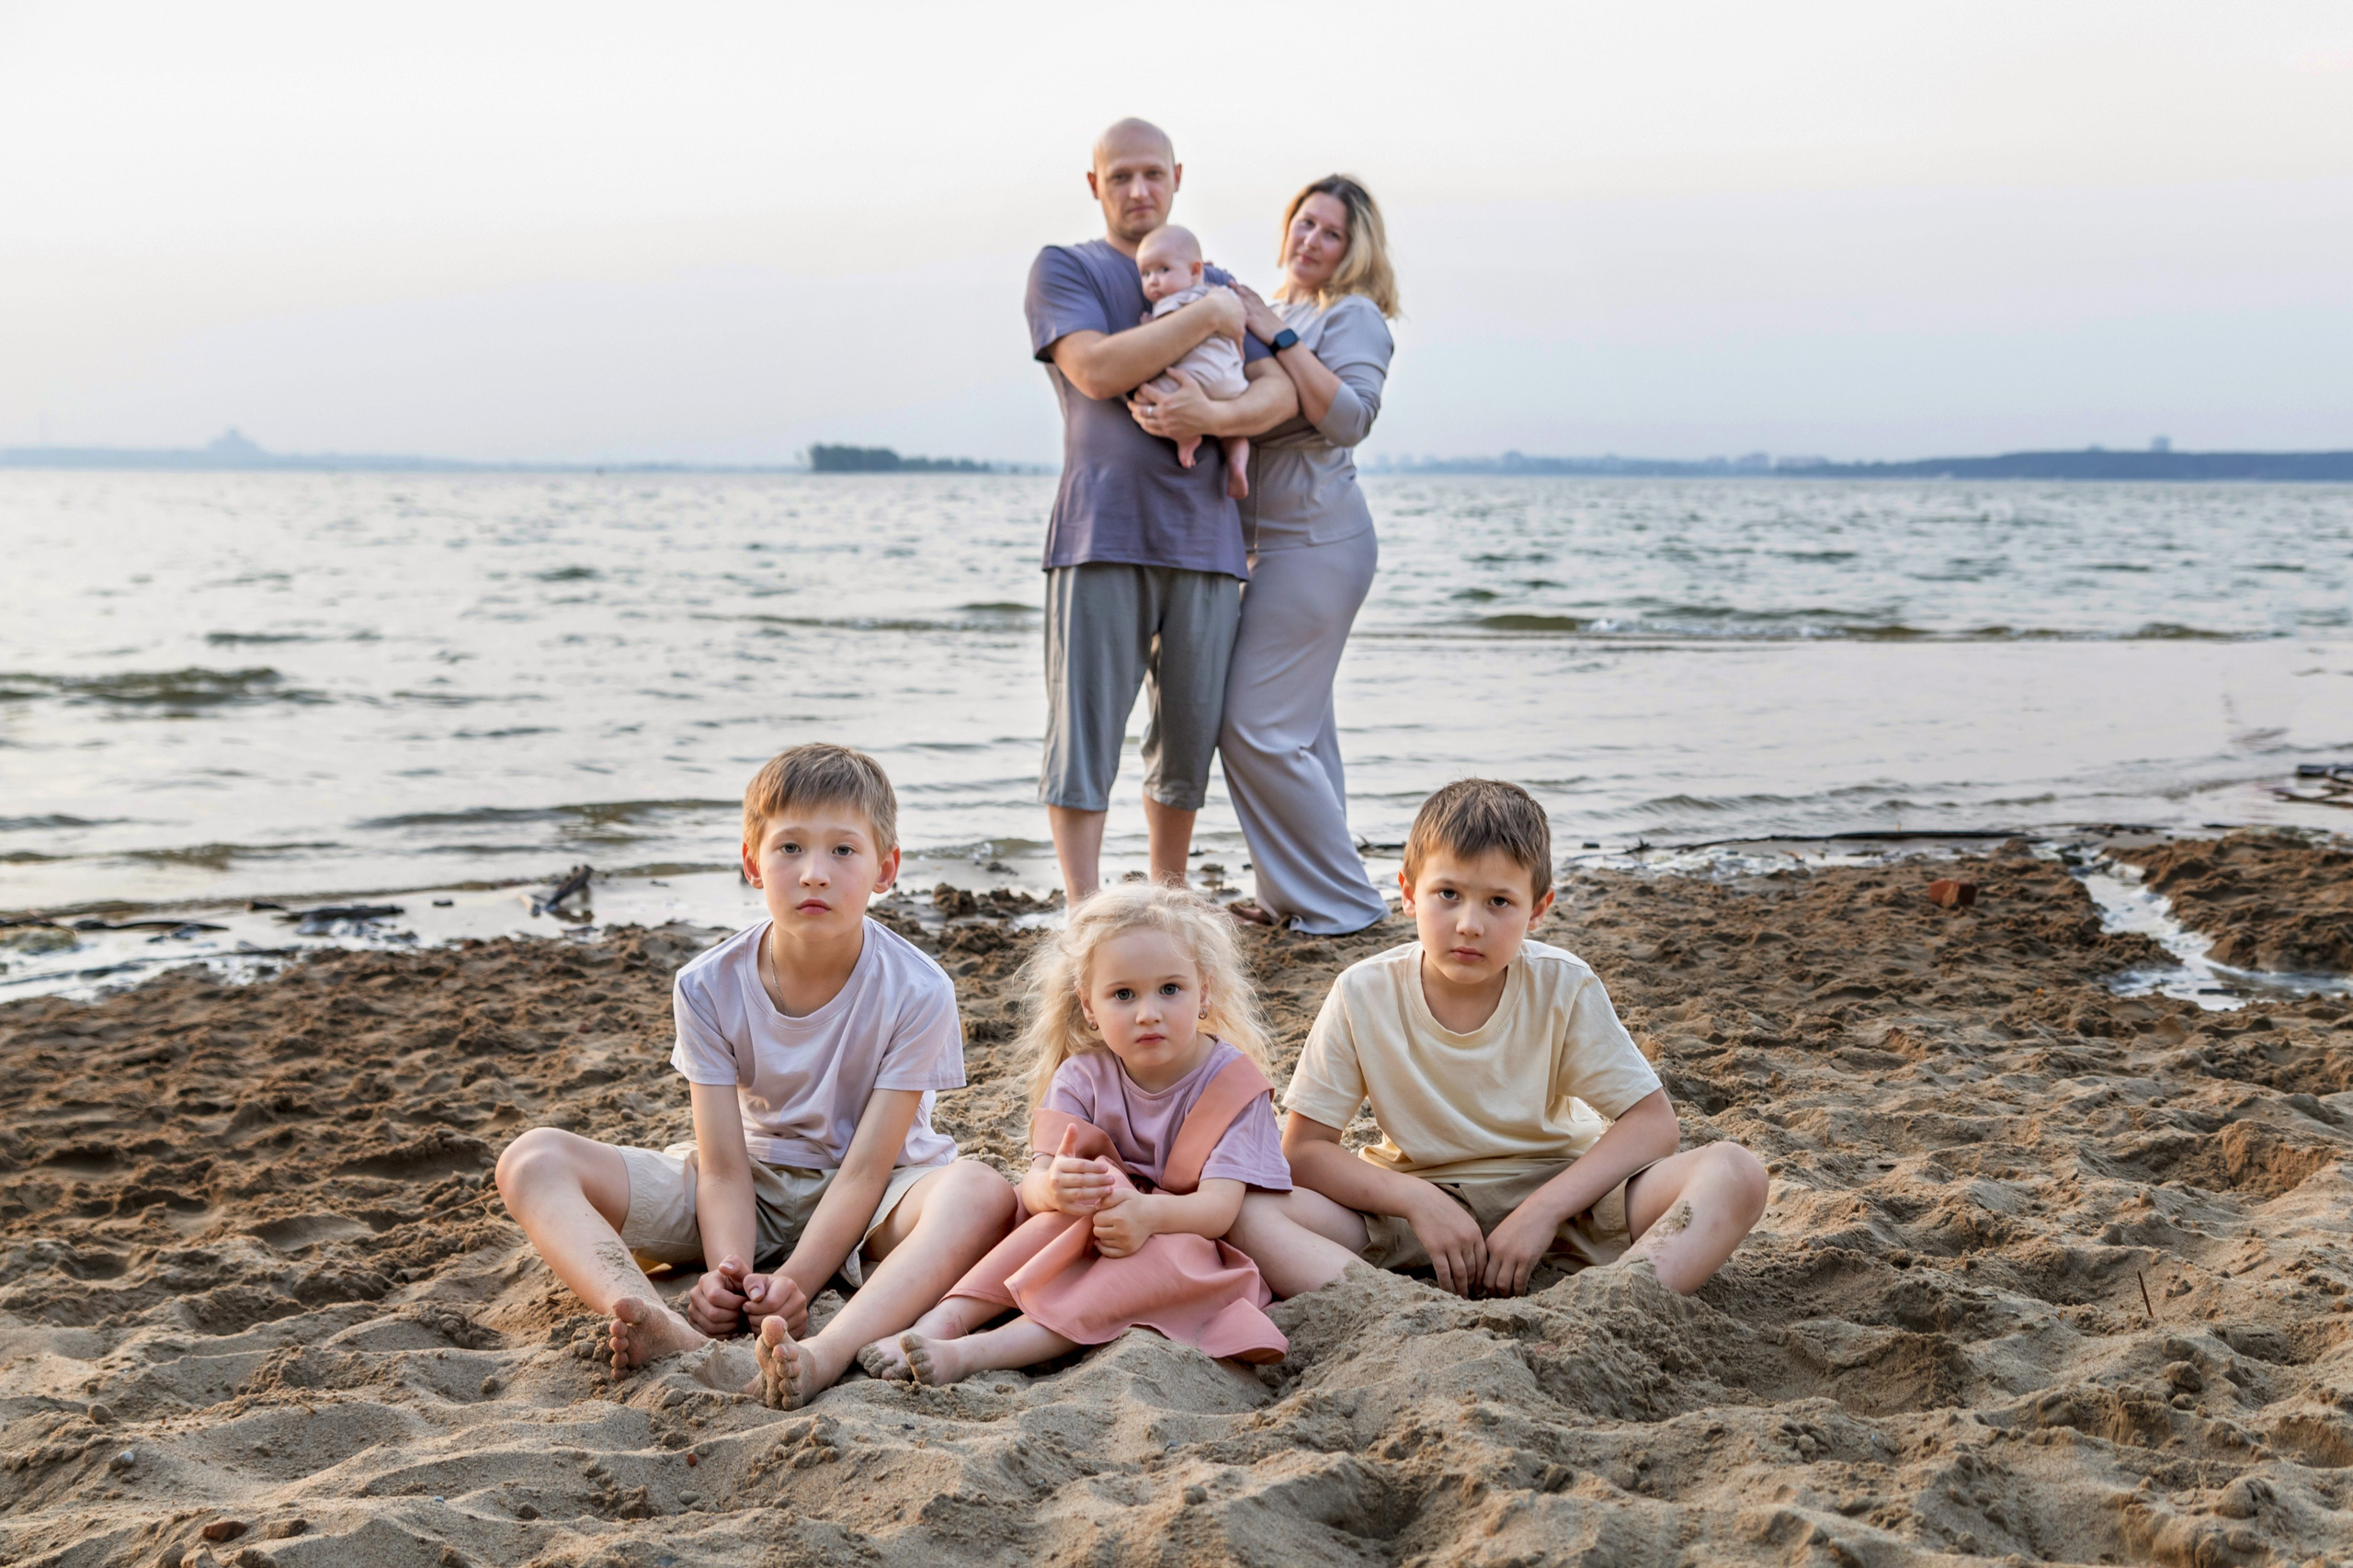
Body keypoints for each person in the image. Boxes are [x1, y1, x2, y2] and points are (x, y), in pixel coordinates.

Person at [493, 744, 1017, 1409]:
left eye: (843, 851)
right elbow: (722, 1167)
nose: (814, 874)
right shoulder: (706, 984)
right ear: (752, 862)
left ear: (885, 868)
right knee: (532, 1159)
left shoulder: (919, 989)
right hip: (748, 1183)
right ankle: (657, 1321)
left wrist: (797, 1282)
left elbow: (864, 1172)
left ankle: (829, 1352)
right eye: (790, 848)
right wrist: (729, 1274)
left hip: (879, 1195)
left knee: (981, 1191)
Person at [1224, 778, 1769, 1300]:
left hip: (1564, 1199)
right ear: (1409, 893)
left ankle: (1624, 1299)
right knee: (1246, 1212)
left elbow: (1652, 1124)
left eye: (1499, 902)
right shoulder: (1361, 992)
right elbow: (1305, 1151)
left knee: (1734, 1172)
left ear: (1538, 909)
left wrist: (1543, 1211)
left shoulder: (1563, 984)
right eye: (1448, 894)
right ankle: (1381, 1307)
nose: (1469, 924)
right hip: (1412, 1209)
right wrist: (1417, 1201)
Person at [860, 883, 1291, 1385]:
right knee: (1063, 1212)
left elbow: (1219, 1210)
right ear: (1089, 1006)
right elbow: (1034, 1184)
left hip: (1178, 1236)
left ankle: (976, 1353)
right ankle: (946, 1320)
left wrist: (1147, 1215)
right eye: (1123, 995)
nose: (1148, 1012)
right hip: (1086, 1231)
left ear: (1205, 991)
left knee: (1137, 1270)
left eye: (1170, 989)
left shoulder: (1232, 1085)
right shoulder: (1082, 1077)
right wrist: (1053, 1188)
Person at [1027, 118, 1301, 903]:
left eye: (1153, 173)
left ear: (1178, 177)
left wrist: (1211, 417)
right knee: (1083, 740)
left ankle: (1169, 900)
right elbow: (1096, 368)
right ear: (1095, 185)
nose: (1138, 189)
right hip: (1100, 532)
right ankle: (1083, 913)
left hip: (1207, 537)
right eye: (1120, 176)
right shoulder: (1066, 268)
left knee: (1186, 741)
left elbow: (1279, 392)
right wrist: (1209, 317)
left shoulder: (1214, 275)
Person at [1131, 175, 1398, 935]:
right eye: (1304, 223)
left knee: (1255, 726)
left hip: (1318, 541)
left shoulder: (1352, 316)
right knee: (1303, 731)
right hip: (1261, 547)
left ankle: (1344, 903)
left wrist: (1275, 335)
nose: (1310, 240)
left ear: (1356, 249)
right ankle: (1294, 896)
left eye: (1331, 232)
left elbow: (1351, 418)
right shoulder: (1267, 304)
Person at [1134, 223, 1252, 498]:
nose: (1153, 280)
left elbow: (1162, 340)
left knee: (1144, 396)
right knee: (1235, 431)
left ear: (1195, 270)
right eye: (1146, 273)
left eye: (1163, 270)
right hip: (1233, 382)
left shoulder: (1175, 302)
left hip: (1198, 379)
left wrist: (1147, 327)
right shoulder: (1217, 294)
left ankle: (1186, 438)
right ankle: (1237, 465)